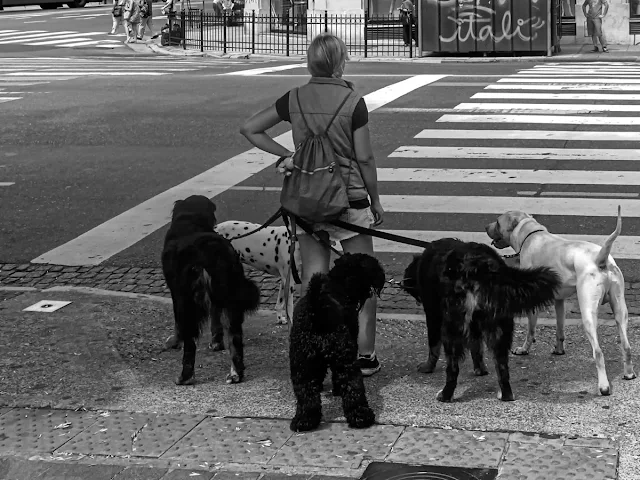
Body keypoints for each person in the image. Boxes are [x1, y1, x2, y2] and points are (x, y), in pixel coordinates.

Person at [240, 32, 385, 377]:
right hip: (348, 198)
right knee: (363, 278)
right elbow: (364, 157)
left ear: (310, 62)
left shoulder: (294, 98)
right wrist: (375, 199)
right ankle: (364, 355)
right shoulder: (353, 102)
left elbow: (250, 128)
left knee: (314, 281)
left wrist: (287, 155)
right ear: (340, 62)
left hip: (307, 199)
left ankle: (314, 351)